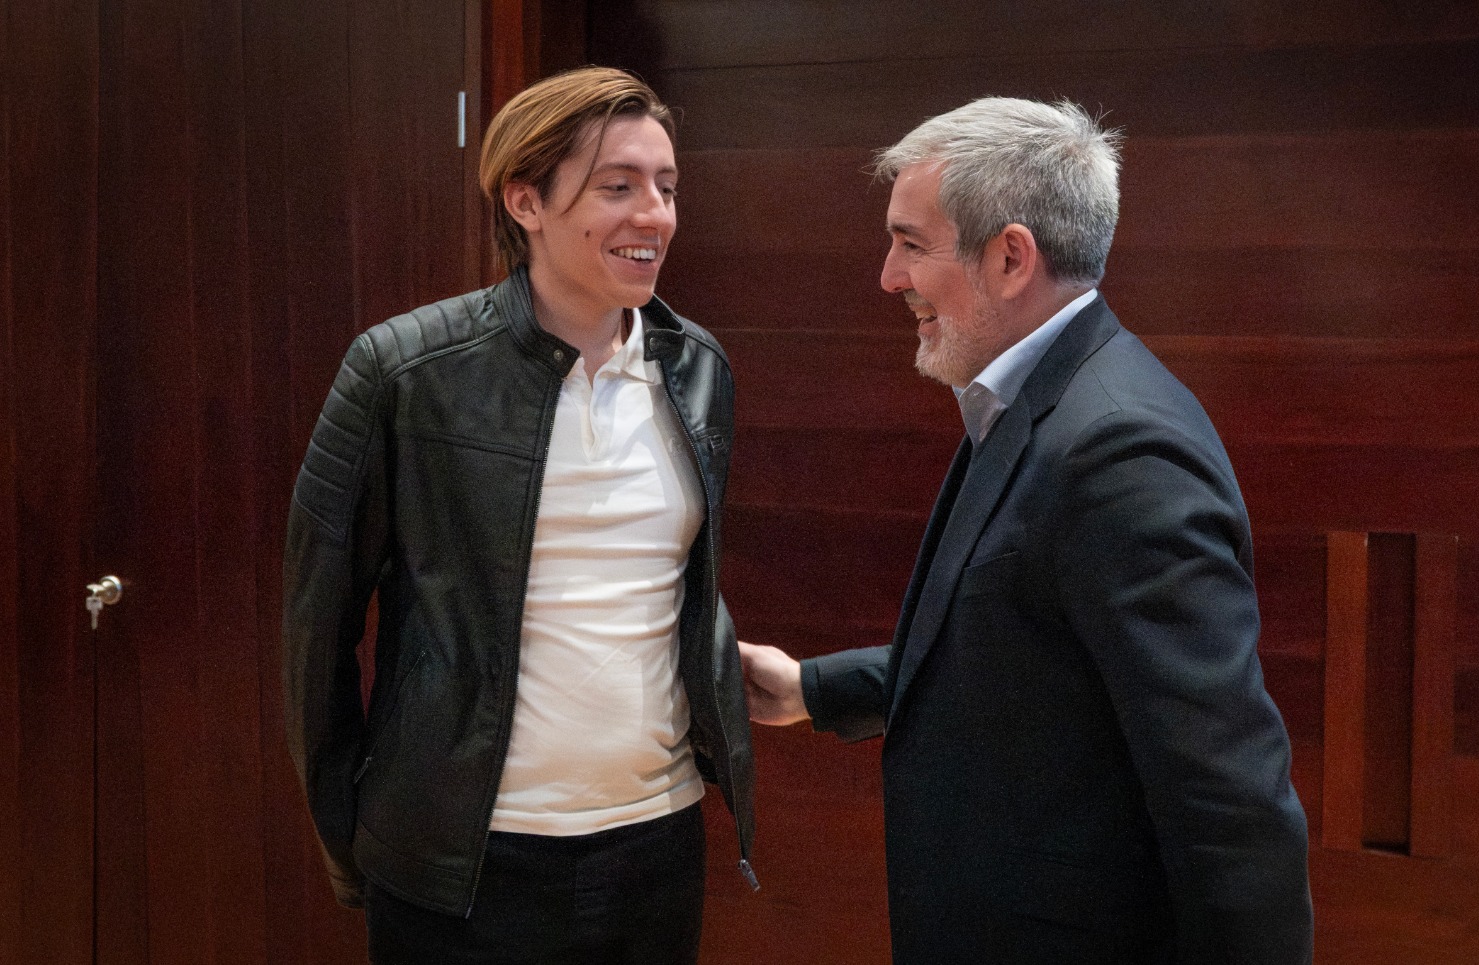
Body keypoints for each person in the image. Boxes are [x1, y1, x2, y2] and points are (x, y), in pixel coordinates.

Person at [740, 96, 1312, 964]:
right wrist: (811, 689)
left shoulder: (1119, 449)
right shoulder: (1035, 401)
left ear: (1011, 257)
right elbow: (1025, 660)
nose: (889, 277)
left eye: (911, 244)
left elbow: (1228, 799)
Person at [282, 66, 754, 965]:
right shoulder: (404, 372)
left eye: (666, 187)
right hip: (463, 858)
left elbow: (684, 587)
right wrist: (353, 833)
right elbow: (317, 629)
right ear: (525, 200)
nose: (655, 214)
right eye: (617, 186)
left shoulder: (698, 369)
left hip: (657, 842)